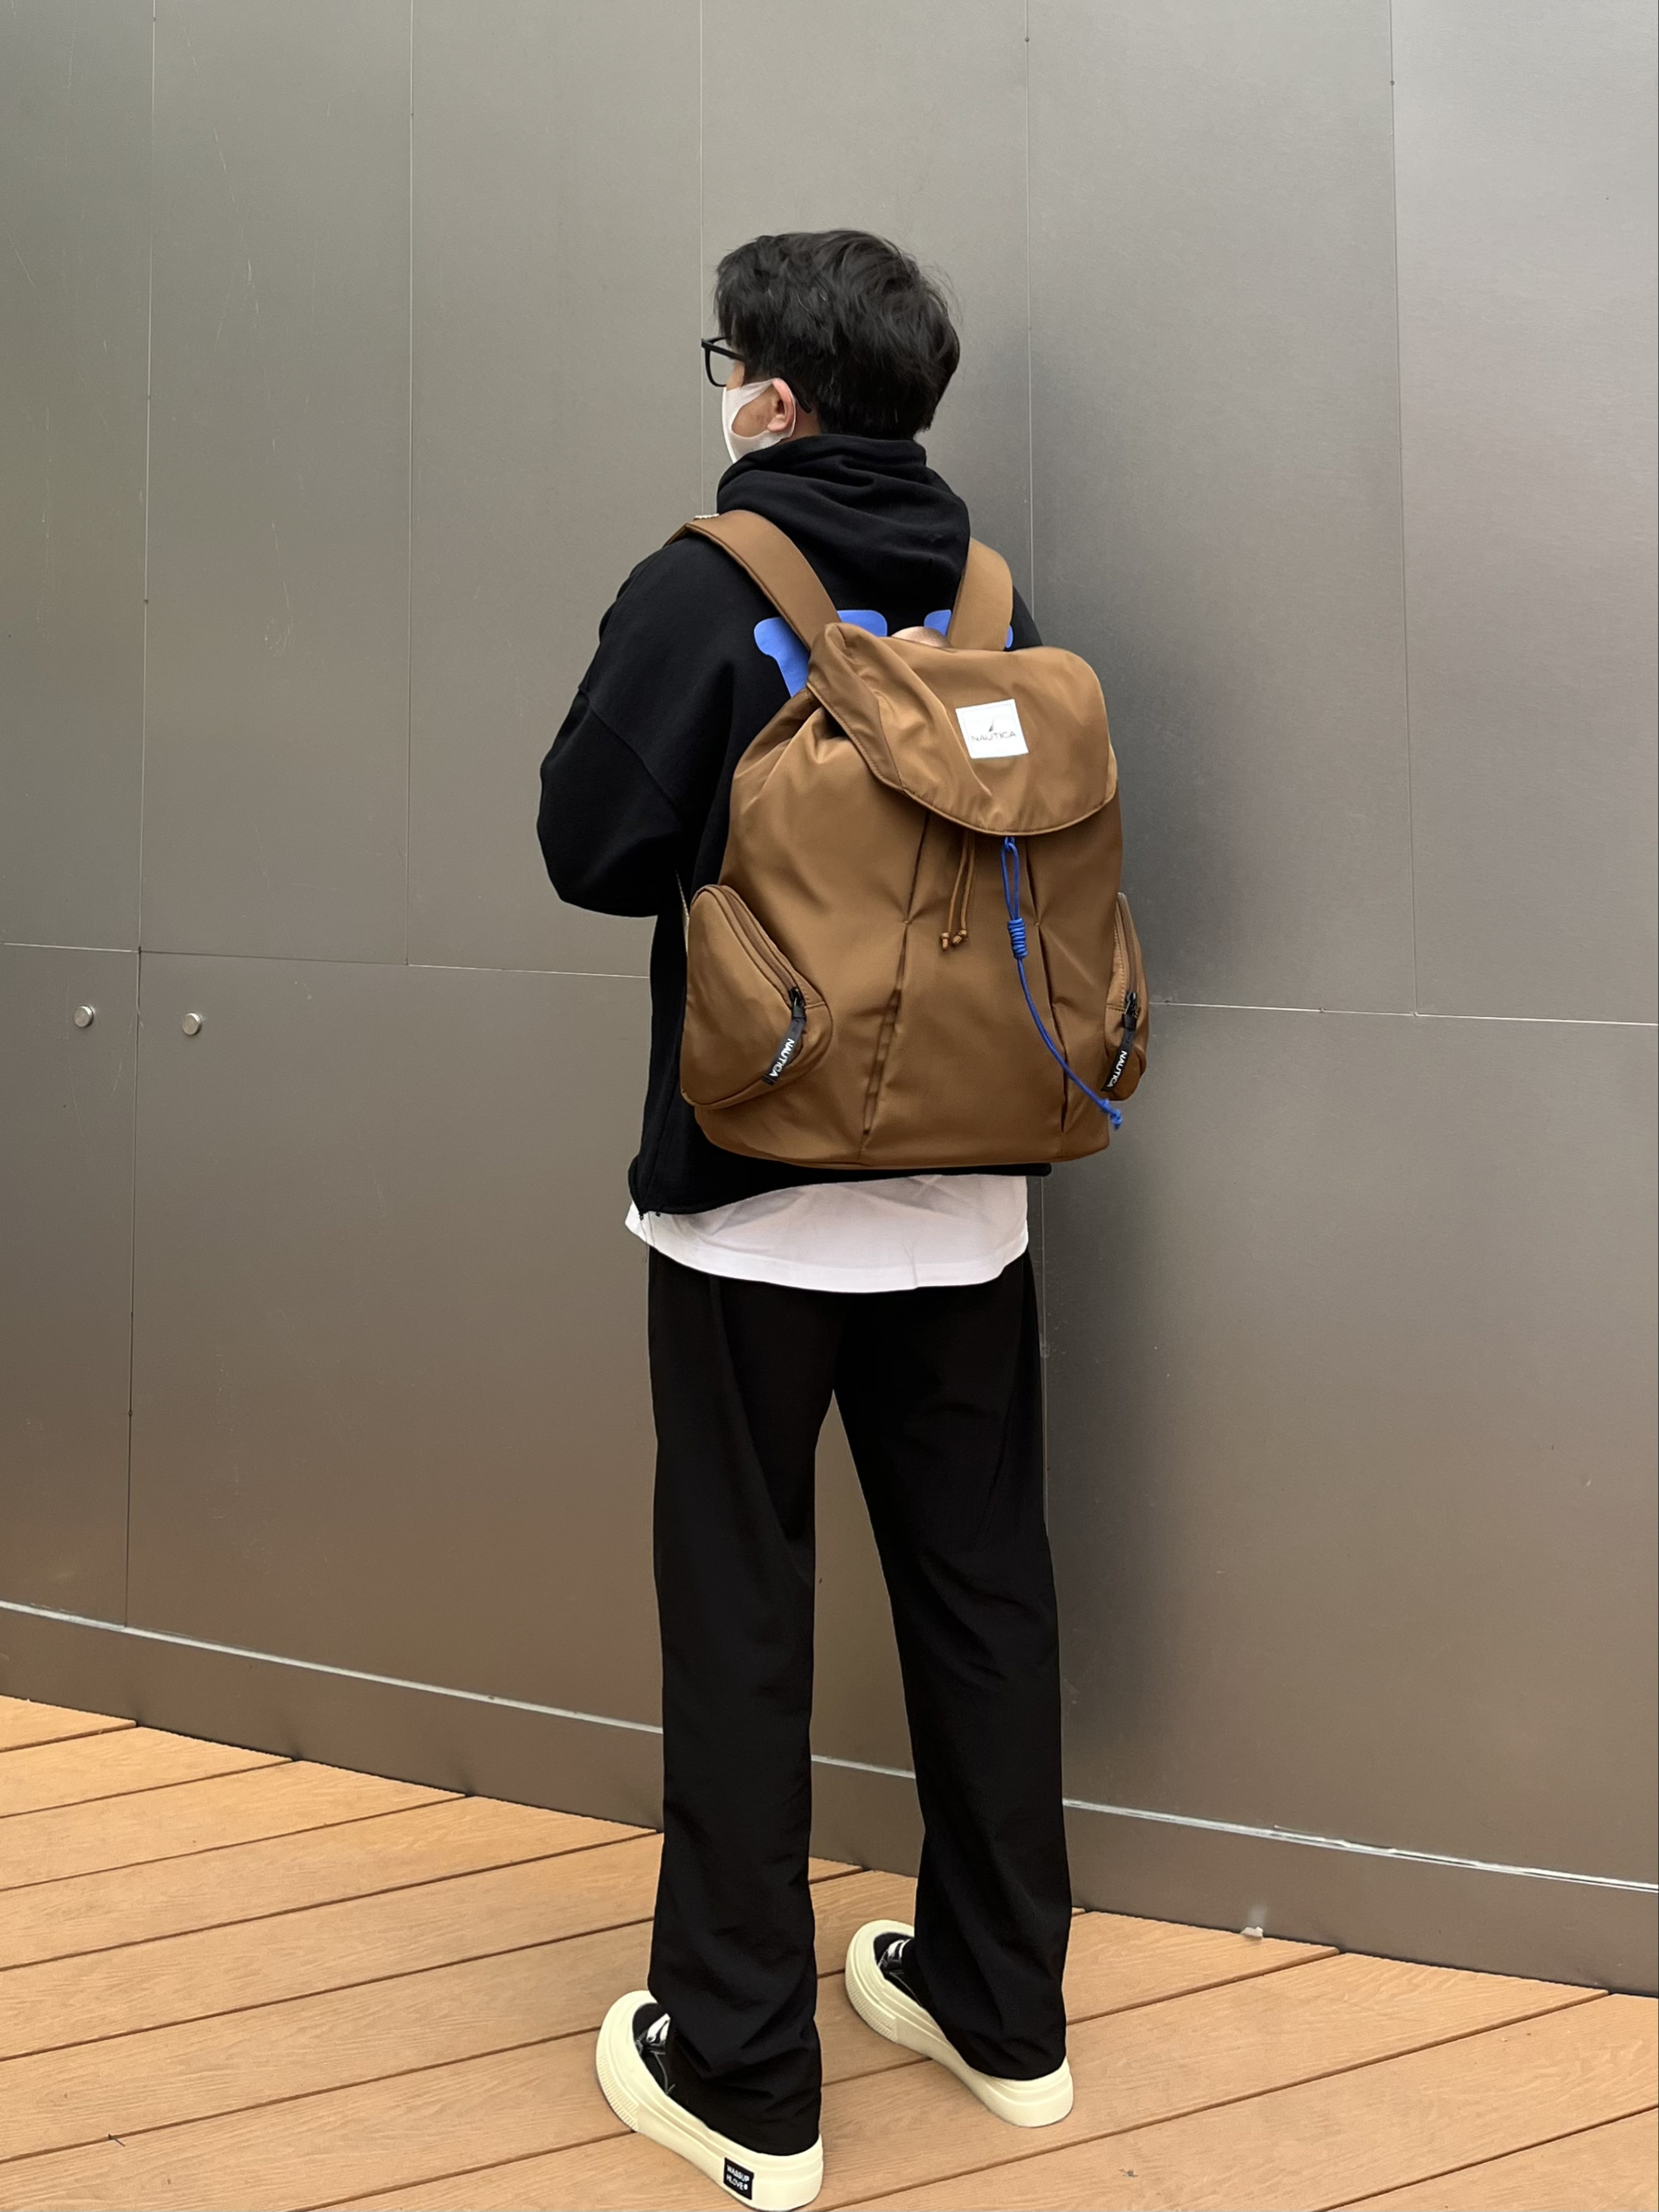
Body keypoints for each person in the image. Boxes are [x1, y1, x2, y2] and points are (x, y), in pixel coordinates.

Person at [538, 229, 1073, 2212]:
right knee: (983, 1593)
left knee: (744, 1610)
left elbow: (589, 844)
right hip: (972, 1194)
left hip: (753, 1199)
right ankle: (1004, 2016)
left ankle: (745, 2072)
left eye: (725, 366)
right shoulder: (995, 596)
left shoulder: (710, 581)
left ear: (768, 394)